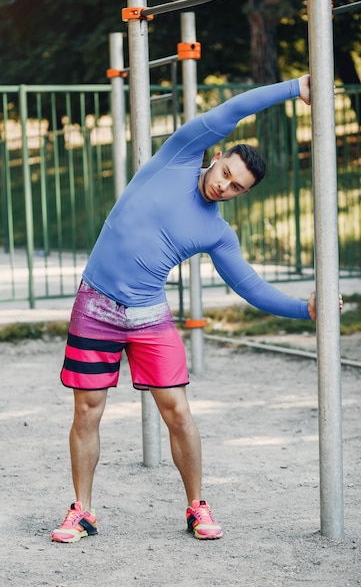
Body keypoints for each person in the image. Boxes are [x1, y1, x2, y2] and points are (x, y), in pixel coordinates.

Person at [51, 75, 316, 543]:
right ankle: (82, 511)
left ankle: (197, 506)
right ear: (217, 158)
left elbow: (248, 285)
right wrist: (296, 87)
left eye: (237, 188)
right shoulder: (177, 157)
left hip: (149, 316)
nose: (225, 187)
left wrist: (304, 309)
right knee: (87, 411)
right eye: (226, 174)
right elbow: (231, 110)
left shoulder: (217, 233)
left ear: (243, 195)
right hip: (95, 306)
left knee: (177, 412)